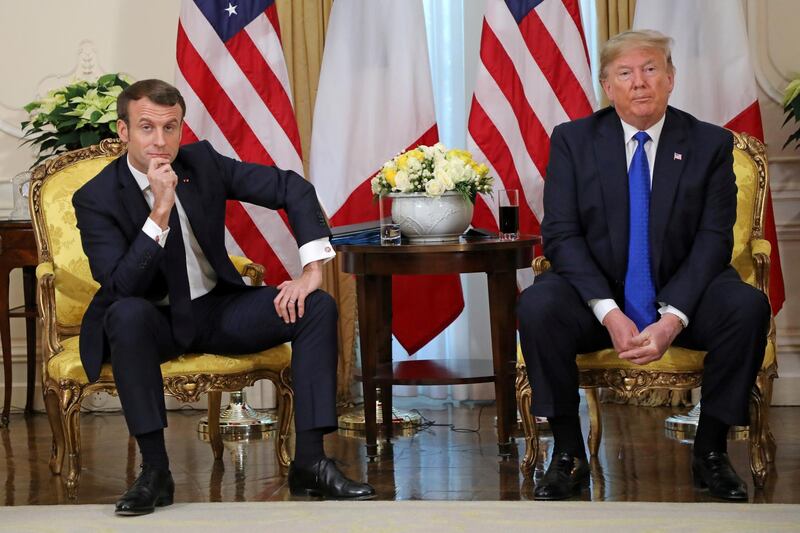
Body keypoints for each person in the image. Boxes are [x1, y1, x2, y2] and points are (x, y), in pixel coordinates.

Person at [72, 79, 375, 516]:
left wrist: (311, 272)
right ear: (123, 132)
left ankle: (310, 462)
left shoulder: (203, 162)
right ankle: (155, 472)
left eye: (170, 128)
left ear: (181, 128)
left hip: (216, 309)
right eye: (146, 128)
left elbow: (292, 187)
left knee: (316, 306)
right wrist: (159, 211)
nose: (161, 141)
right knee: (125, 314)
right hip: (152, 319)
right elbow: (120, 286)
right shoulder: (96, 196)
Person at [517, 30, 770, 502]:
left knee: (746, 306)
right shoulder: (573, 141)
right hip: (598, 298)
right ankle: (568, 453)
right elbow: (563, 236)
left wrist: (672, 319)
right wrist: (610, 313)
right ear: (607, 85)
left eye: (651, 69)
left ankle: (711, 450)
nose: (639, 83)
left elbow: (714, 240)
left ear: (671, 79)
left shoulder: (708, 144)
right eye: (625, 73)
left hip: (683, 293)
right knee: (538, 304)